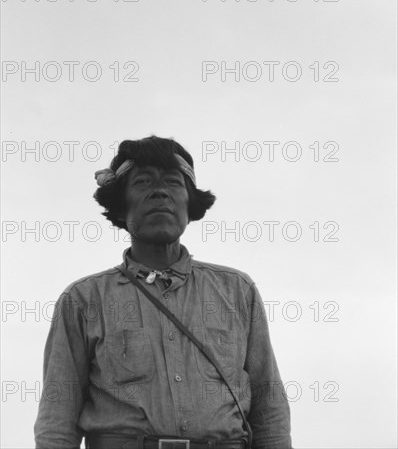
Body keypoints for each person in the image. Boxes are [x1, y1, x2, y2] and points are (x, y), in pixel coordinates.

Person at [34, 135, 292, 449]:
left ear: (189, 203)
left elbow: (269, 405)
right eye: (143, 182)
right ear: (121, 205)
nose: (159, 191)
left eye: (173, 182)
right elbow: (56, 421)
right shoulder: (83, 300)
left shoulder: (237, 291)